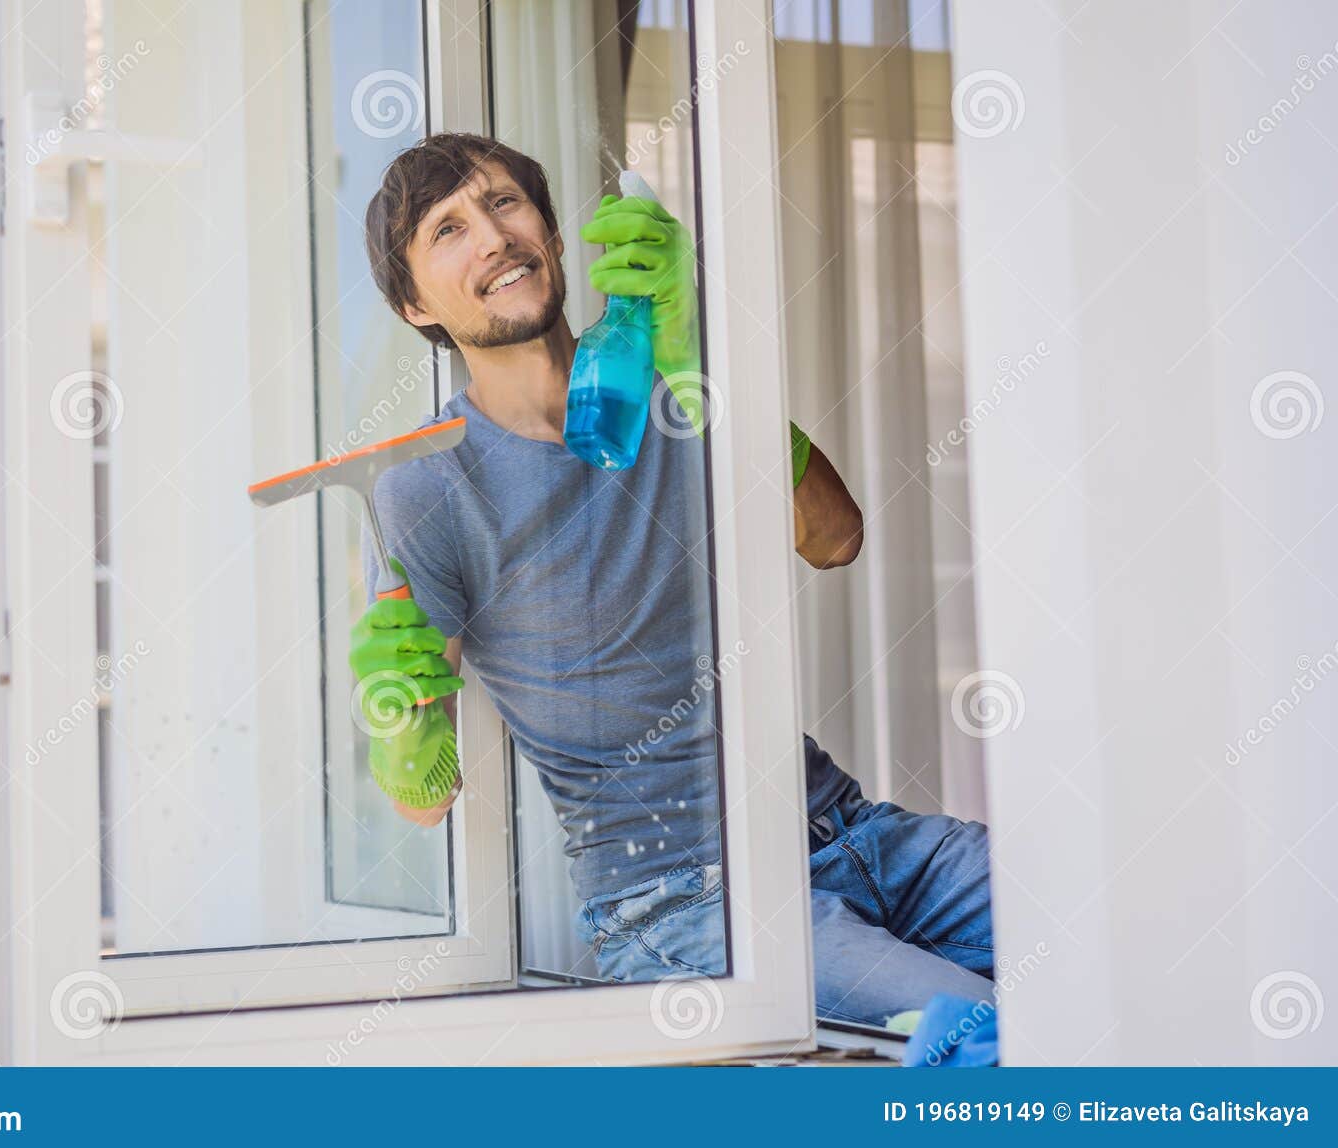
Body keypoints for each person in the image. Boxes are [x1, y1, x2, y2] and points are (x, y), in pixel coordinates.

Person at [351, 132, 994, 1027]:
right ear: (417, 304)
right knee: (992, 1034)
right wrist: (396, 707)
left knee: (1124, 920)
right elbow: (421, 806)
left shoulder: (674, 393)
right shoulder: (428, 486)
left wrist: (711, 365)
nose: (492, 236)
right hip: (677, 902)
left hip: (853, 832)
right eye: (448, 229)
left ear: (553, 235)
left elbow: (834, 537)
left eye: (504, 203)